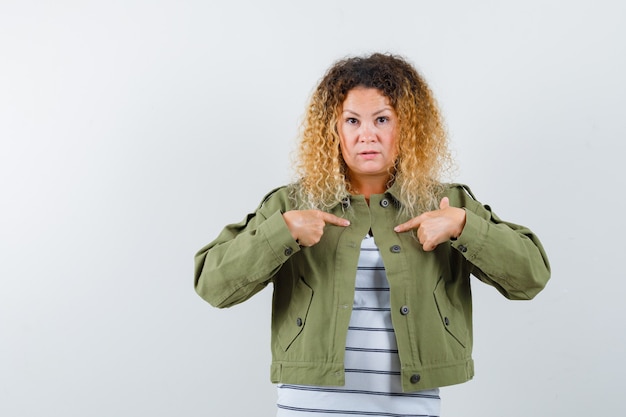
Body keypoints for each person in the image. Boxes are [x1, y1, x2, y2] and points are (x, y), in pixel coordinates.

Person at [194, 53, 550, 416]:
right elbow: (212, 284)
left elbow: (531, 277)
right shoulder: (292, 204)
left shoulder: (446, 203)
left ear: (407, 127)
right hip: (309, 405)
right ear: (332, 128)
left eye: (382, 119)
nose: (367, 135)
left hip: (410, 406)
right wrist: (282, 232)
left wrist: (463, 226)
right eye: (352, 120)